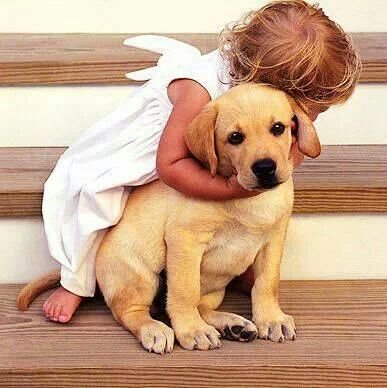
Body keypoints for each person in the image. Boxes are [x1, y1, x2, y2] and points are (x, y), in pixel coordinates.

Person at [42, 0, 361, 323]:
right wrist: (231, 188)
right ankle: (76, 281)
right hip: (145, 154)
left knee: (215, 220)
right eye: (312, 110)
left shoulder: (261, 105)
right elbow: (170, 165)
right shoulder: (198, 90)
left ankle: (229, 268)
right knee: (99, 206)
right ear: (267, 84)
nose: (312, 120)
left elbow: (287, 152)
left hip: (210, 147)